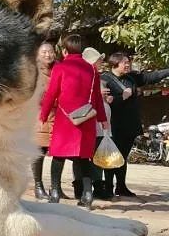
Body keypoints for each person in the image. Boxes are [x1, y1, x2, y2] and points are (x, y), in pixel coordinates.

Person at [39, 34, 109, 209]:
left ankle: (55, 192)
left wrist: (44, 115)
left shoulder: (61, 68)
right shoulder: (92, 70)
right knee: (84, 157)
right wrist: (103, 119)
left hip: (65, 119)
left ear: (64, 50)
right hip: (86, 118)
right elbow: (98, 99)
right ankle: (87, 194)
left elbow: (51, 93)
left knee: (58, 156)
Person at [101, 52, 169, 197]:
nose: (128, 65)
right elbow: (107, 102)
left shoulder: (131, 77)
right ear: (115, 64)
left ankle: (121, 186)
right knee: (112, 156)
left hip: (130, 124)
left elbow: (150, 77)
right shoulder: (105, 80)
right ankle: (107, 187)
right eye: (124, 62)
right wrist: (122, 97)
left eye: (128, 62)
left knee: (123, 156)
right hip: (114, 124)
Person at [82, 47, 115, 200]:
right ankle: (86, 186)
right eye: (99, 60)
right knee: (87, 157)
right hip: (90, 121)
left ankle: (98, 185)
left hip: (101, 123)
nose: (102, 62)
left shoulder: (99, 77)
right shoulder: (86, 76)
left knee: (99, 155)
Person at [32, 41, 58, 200]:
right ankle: (38, 185)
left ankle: (57, 187)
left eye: (50, 52)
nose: (48, 55)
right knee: (39, 151)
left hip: (58, 116)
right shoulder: (34, 72)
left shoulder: (58, 69)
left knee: (59, 154)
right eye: (44, 52)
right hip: (40, 115)